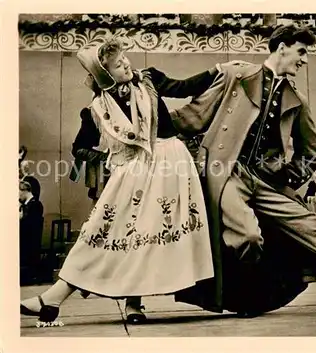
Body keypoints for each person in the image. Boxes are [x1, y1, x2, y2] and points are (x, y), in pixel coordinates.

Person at [170, 25, 316, 314]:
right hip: (228, 174)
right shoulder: (238, 76)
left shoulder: (296, 99)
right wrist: (144, 122)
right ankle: (247, 298)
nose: (305, 60)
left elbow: (312, 153)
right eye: (301, 51)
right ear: (281, 47)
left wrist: (286, 177)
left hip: (267, 181)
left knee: (313, 229)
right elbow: (194, 115)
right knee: (247, 237)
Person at [20, 38, 221, 324]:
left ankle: (130, 304)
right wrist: (106, 160)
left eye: (124, 59)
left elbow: (184, 87)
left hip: (169, 164)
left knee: (143, 236)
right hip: (131, 171)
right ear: (106, 75)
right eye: (118, 65)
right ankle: (54, 297)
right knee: (103, 230)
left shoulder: (150, 80)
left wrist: (217, 70)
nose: (126, 65)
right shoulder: (97, 109)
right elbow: (79, 147)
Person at [19, 180, 44, 285]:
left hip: (30, 242)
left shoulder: (35, 205)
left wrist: (21, 219)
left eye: (18, 192)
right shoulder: (27, 205)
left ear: (24, 191)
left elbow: (31, 226)